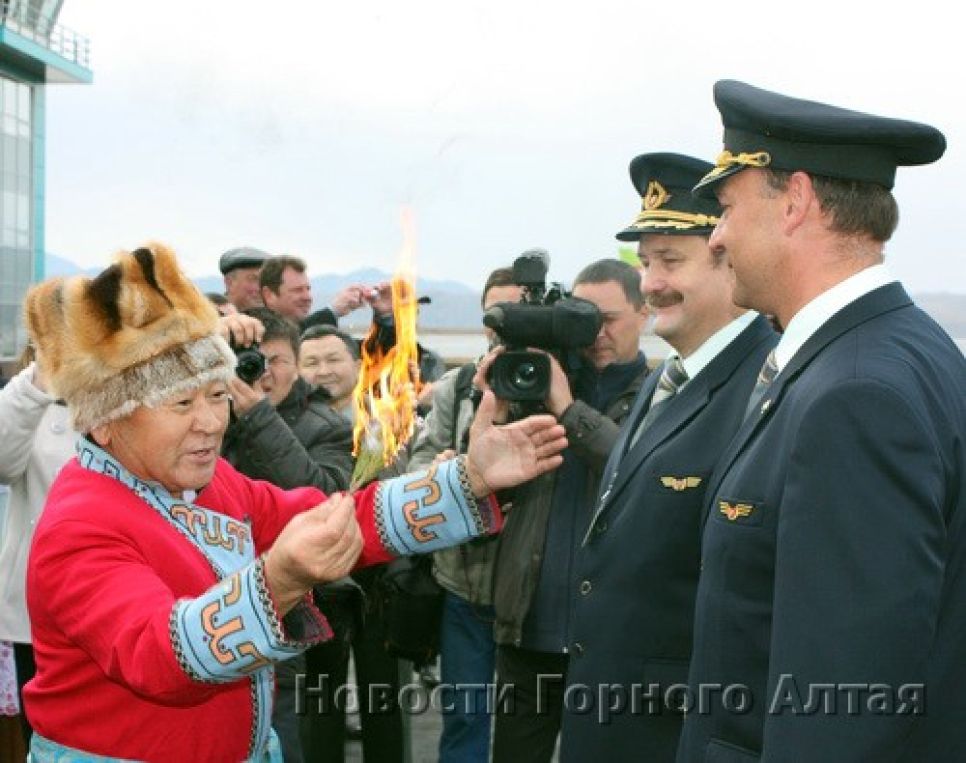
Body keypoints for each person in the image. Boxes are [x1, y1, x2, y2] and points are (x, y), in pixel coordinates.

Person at [20, 242, 568, 762]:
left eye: (217, 395)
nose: (211, 422)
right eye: (183, 402)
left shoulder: (212, 484)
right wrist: (276, 581)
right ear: (108, 419)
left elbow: (333, 517)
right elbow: (160, 657)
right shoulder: (81, 522)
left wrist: (467, 479)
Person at [677, 80, 965, 762]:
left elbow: (842, 705)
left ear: (796, 202)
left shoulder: (856, 393)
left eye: (725, 208)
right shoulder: (893, 350)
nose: (717, 237)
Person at [556, 153, 777, 762]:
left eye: (671, 261)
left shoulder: (767, 387)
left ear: (729, 258)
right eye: (646, 261)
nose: (650, 282)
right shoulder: (668, 377)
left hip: (675, 735)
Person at [490, 258, 650, 762]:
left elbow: (633, 466)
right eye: (584, 320)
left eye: (610, 319)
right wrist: (495, 398)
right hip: (527, 632)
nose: (596, 334)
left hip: (608, 641)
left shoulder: (662, 391)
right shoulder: (535, 385)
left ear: (644, 313)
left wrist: (565, 406)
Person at [221, 308, 355, 762]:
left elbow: (322, 498)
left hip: (288, 604)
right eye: (251, 359)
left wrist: (258, 416)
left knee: (279, 729)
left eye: (275, 360)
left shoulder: (329, 425)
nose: (263, 372)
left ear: (297, 363)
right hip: (216, 599)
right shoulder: (214, 413)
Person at [407, 266, 523, 763]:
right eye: (494, 315)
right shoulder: (457, 387)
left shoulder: (565, 383)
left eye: (516, 312)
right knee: (464, 718)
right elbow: (416, 460)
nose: (504, 325)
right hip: (464, 587)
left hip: (532, 591)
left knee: (529, 725)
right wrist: (440, 474)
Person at [0, 343, 76, 748]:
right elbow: (2, 461)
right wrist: (38, 380)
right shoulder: (28, 401)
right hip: (34, 610)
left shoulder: (121, 398)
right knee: (43, 735)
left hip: (106, 598)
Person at [259, 254, 374, 332]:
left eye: (308, 289)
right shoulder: (255, 330)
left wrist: (384, 316)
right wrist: (333, 311)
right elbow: (291, 339)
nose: (307, 297)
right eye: (297, 290)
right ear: (269, 295)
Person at [298, 325, 362, 421]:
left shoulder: (386, 418)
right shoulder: (284, 424)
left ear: (358, 367)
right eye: (312, 363)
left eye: (333, 360)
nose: (324, 372)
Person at [220, 246, 270, 312]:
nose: (261, 288)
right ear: (230, 283)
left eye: (265, 279)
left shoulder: (279, 318)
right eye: (253, 279)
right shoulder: (211, 320)